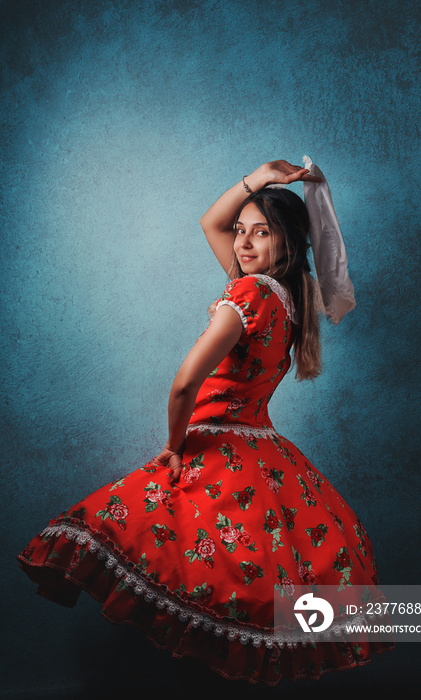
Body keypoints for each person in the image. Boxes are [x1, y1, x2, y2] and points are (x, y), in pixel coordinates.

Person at [17, 159, 393, 685]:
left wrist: (175, 446)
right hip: (267, 455)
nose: (242, 243)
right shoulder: (293, 299)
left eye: (260, 233)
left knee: (152, 545)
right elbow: (210, 223)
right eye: (242, 232)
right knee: (240, 574)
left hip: (220, 449)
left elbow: (183, 385)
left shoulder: (249, 293)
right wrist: (259, 180)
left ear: (287, 240)